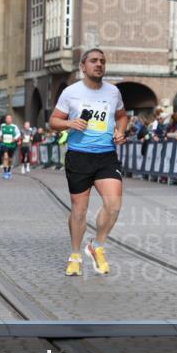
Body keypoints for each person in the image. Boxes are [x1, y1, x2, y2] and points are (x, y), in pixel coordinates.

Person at [49, 48, 127, 277]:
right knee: (79, 211)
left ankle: (97, 246)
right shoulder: (70, 92)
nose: (99, 64)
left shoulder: (113, 92)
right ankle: (75, 255)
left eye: (102, 61)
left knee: (114, 205)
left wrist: (120, 131)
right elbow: (53, 121)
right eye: (93, 61)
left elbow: (122, 116)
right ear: (83, 66)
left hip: (105, 155)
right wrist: (70, 123)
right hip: (79, 156)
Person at [0, 114, 21, 179]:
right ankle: (5, 172)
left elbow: (18, 133)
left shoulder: (14, 126)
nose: (8, 119)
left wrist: (15, 138)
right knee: (5, 157)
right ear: (5, 119)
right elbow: (0, 133)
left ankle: (9, 170)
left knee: (10, 159)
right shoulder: (3, 126)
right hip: (4, 144)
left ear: (11, 119)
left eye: (9, 118)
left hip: (12, 144)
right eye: (7, 118)